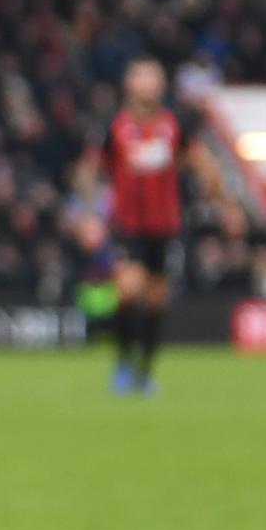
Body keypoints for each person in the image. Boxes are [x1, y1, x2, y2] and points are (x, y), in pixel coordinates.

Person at [102, 57, 224, 394]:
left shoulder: (174, 124)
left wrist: (219, 196)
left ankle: (145, 370)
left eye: (153, 76)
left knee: (156, 301)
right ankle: (124, 364)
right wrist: (87, 213)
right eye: (141, 76)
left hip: (165, 227)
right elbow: (95, 168)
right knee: (128, 289)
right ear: (129, 83)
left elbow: (201, 162)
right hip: (127, 225)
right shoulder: (114, 126)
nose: (147, 83)